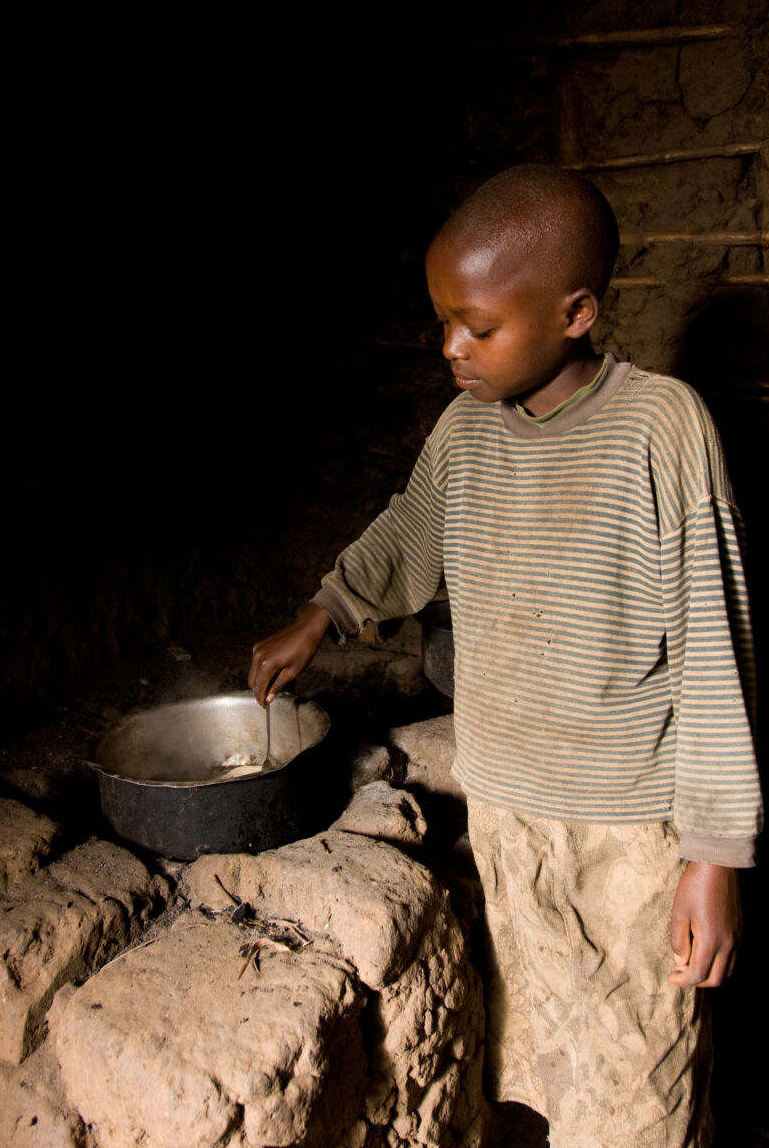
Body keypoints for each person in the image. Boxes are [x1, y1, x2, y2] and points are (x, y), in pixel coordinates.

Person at [249, 165, 763, 1147]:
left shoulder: (659, 429)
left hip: (623, 834)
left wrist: (712, 852)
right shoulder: (465, 431)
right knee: (536, 1045)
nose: (450, 348)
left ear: (574, 312)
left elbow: (713, 645)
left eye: (475, 326)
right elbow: (412, 526)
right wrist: (327, 606)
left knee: (636, 1076)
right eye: (442, 320)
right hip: (507, 807)